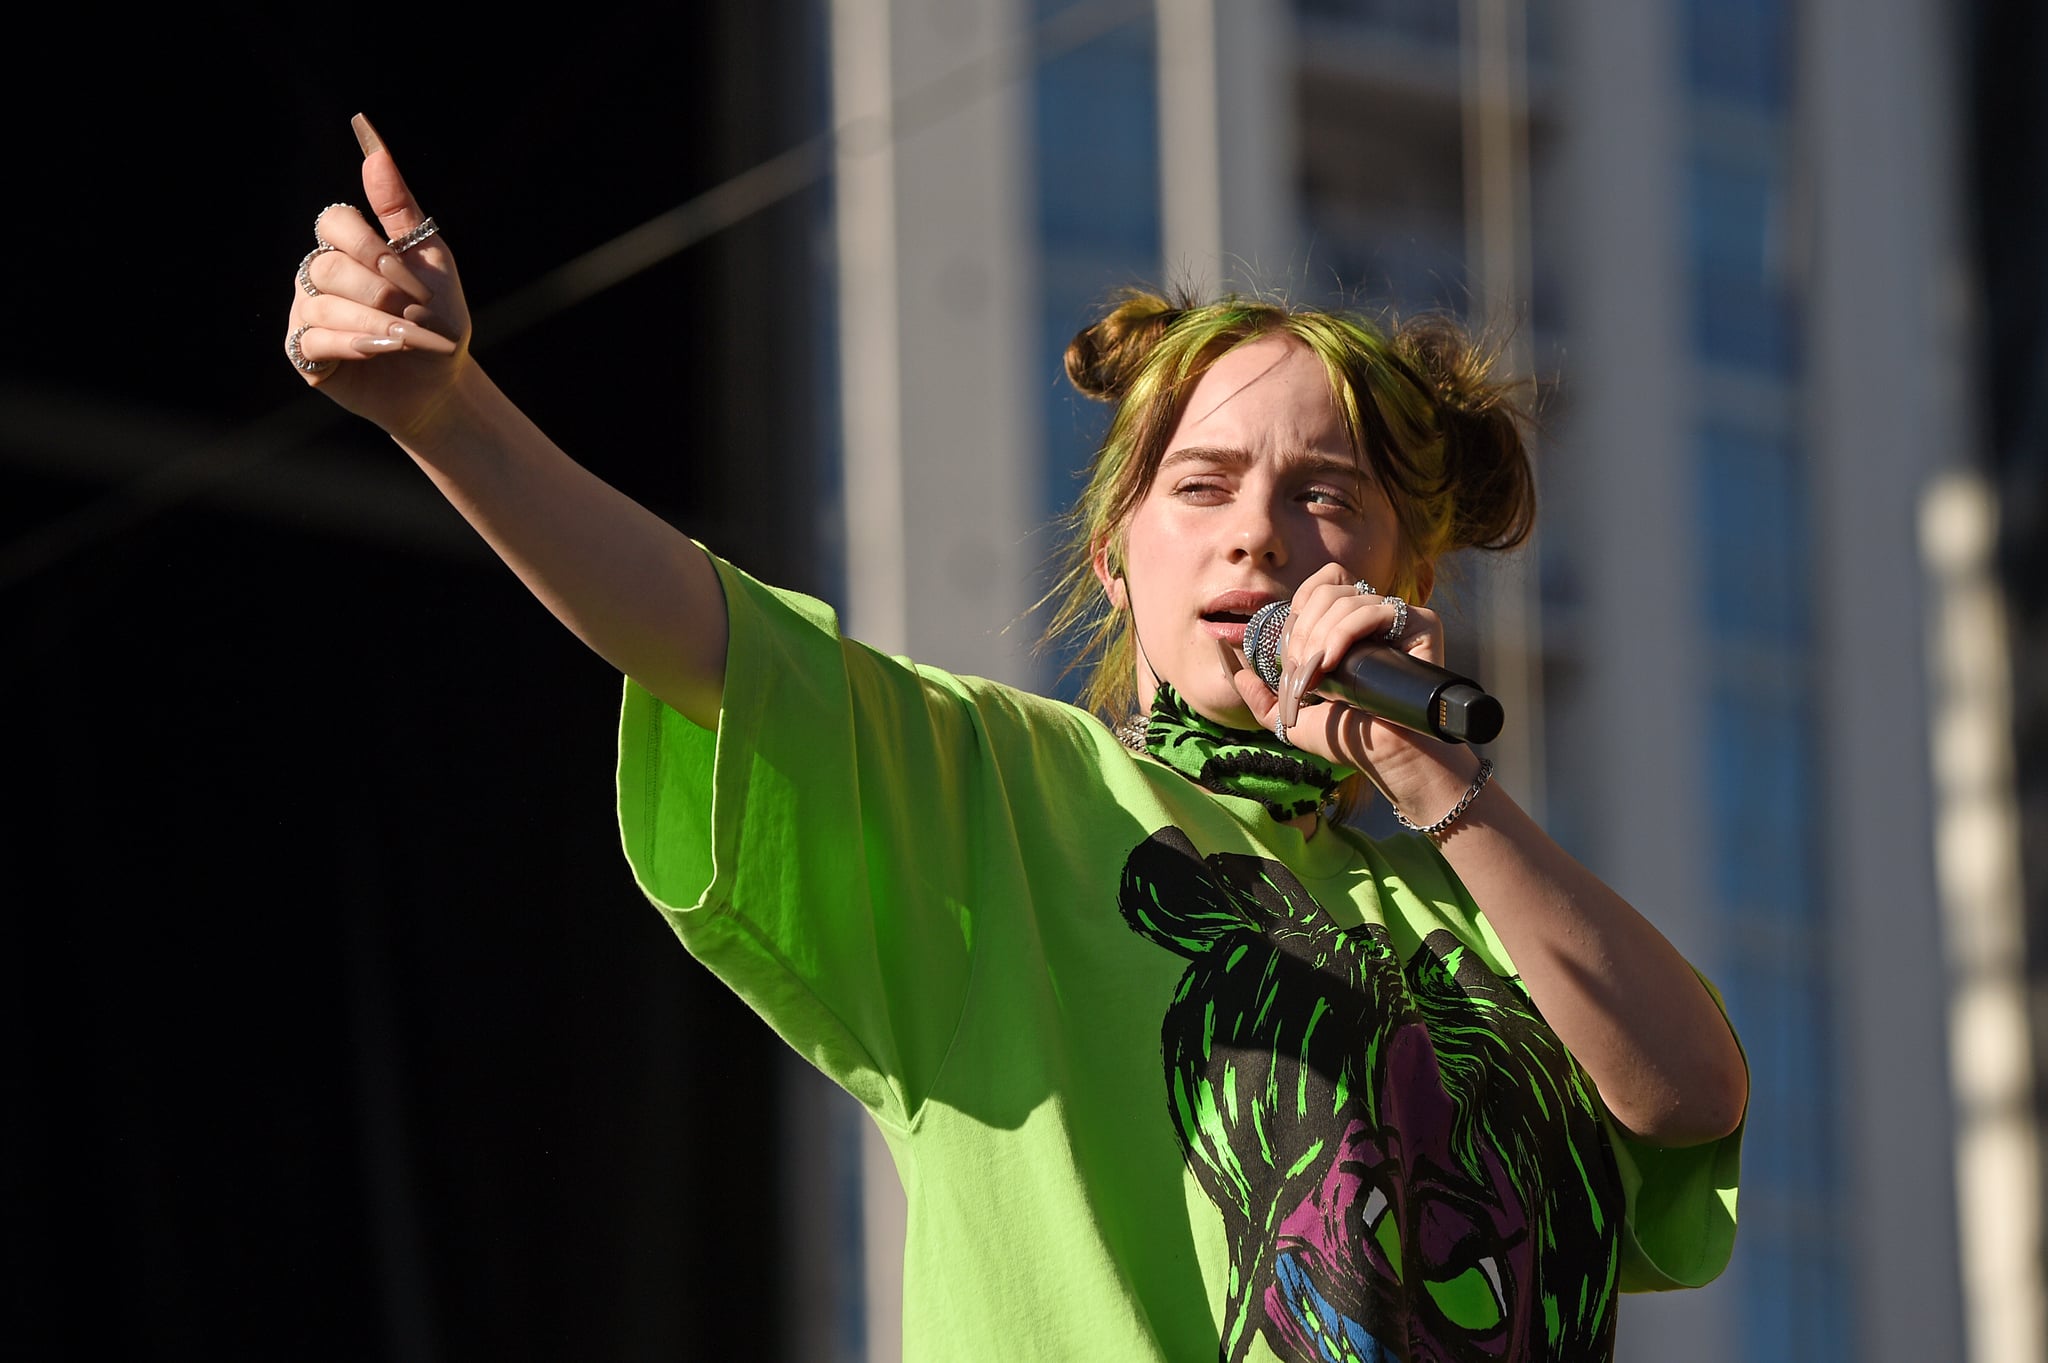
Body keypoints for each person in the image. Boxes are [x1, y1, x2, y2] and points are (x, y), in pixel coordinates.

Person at [288, 115, 1746, 1362]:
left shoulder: (1476, 896)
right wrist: (449, 414)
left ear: (1404, 572)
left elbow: (1685, 1099)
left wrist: (1434, 781)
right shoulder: (1005, 792)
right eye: (1203, 486)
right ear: (1118, 561)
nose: (1257, 531)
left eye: (1324, 494)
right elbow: (692, 629)